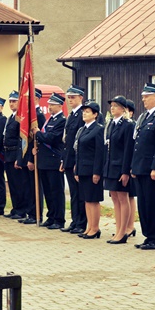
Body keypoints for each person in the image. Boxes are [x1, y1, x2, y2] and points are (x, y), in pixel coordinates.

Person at [131, 83, 155, 250]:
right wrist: (134, 166)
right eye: (143, 96)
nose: (143, 99)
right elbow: (138, 144)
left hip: (151, 169)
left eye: (146, 96)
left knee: (152, 204)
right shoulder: (145, 117)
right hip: (141, 167)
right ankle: (148, 236)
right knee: (143, 205)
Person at [103, 96, 134, 244]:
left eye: (116, 106)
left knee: (123, 198)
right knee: (115, 198)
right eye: (112, 105)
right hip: (111, 166)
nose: (112, 108)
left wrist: (125, 171)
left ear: (123, 109)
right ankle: (118, 230)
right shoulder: (111, 124)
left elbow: (128, 149)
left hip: (120, 167)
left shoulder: (127, 125)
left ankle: (123, 232)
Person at [73, 101, 105, 239]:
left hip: (92, 170)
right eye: (83, 111)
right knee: (86, 199)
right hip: (83, 169)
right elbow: (78, 151)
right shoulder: (83, 129)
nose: (84, 114)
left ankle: (95, 228)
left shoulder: (98, 129)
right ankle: (89, 227)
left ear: (95, 114)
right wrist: (77, 170)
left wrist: (97, 172)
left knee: (93, 200)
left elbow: (99, 152)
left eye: (87, 111)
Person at [35, 93, 66, 229]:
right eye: (49, 104)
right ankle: (51, 216)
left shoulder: (61, 121)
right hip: (44, 160)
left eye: (52, 104)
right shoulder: (50, 120)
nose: (50, 107)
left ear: (60, 106)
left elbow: (52, 138)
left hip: (53, 160)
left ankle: (59, 219)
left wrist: (38, 133)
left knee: (56, 191)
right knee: (48, 191)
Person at [61, 85, 87, 233]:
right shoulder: (71, 115)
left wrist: (77, 161)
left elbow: (80, 142)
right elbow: (67, 140)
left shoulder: (83, 114)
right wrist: (63, 160)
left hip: (77, 160)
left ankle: (81, 223)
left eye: (73, 97)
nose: (70, 100)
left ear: (80, 98)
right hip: (69, 159)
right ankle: (75, 220)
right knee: (73, 193)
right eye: (69, 98)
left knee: (79, 193)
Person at [20, 88, 46, 225]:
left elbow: (36, 140)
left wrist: (31, 159)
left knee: (35, 187)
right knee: (28, 187)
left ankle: (36, 214)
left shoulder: (38, 116)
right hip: (27, 156)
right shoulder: (29, 115)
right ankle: (30, 213)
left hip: (34, 156)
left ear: (36, 99)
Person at [2, 91, 27, 220]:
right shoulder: (10, 117)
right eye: (10, 101)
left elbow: (20, 140)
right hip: (8, 154)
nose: (11, 104)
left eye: (14, 101)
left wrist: (19, 158)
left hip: (15, 154)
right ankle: (15, 208)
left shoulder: (20, 118)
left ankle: (21, 210)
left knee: (19, 184)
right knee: (12, 184)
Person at [124, 98, 138, 238]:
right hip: (121, 165)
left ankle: (130, 225)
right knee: (124, 196)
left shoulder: (132, 125)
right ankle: (124, 225)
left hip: (129, 164)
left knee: (130, 195)